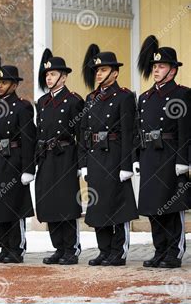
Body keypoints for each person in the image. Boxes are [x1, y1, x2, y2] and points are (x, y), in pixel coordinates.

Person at [135, 35, 190, 268]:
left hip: (170, 156)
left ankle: (173, 252)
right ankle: (159, 250)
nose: (156, 70)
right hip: (149, 156)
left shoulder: (182, 94)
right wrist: (137, 157)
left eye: (161, 66)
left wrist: (183, 160)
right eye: (155, 66)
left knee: (171, 206)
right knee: (153, 208)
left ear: (173, 71)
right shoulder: (145, 98)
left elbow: (186, 131)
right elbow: (139, 130)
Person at [80, 44, 138, 266]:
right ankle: (104, 250)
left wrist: (126, 164)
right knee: (98, 205)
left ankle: (118, 252)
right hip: (95, 157)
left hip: (114, 156)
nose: (99, 74)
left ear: (115, 72)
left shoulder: (124, 97)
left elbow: (128, 132)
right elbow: (84, 132)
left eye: (103, 70)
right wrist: (84, 162)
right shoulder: (91, 98)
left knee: (118, 204)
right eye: (97, 71)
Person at [0, 54, 36, 264]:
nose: (0, 86)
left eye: (4, 82)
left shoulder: (22, 106)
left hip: (14, 161)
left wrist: (28, 168)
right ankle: (4, 247)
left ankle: (16, 248)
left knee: (14, 207)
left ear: (14, 84)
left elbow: (28, 139)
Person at [36, 49, 84, 265]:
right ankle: (58, 248)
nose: (49, 78)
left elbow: (81, 134)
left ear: (64, 77)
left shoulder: (74, 101)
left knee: (66, 202)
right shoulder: (43, 102)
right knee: (50, 203)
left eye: (53, 74)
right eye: (47, 75)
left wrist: (80, 163)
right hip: (46, 157)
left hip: (66, 156)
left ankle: (71, 249)